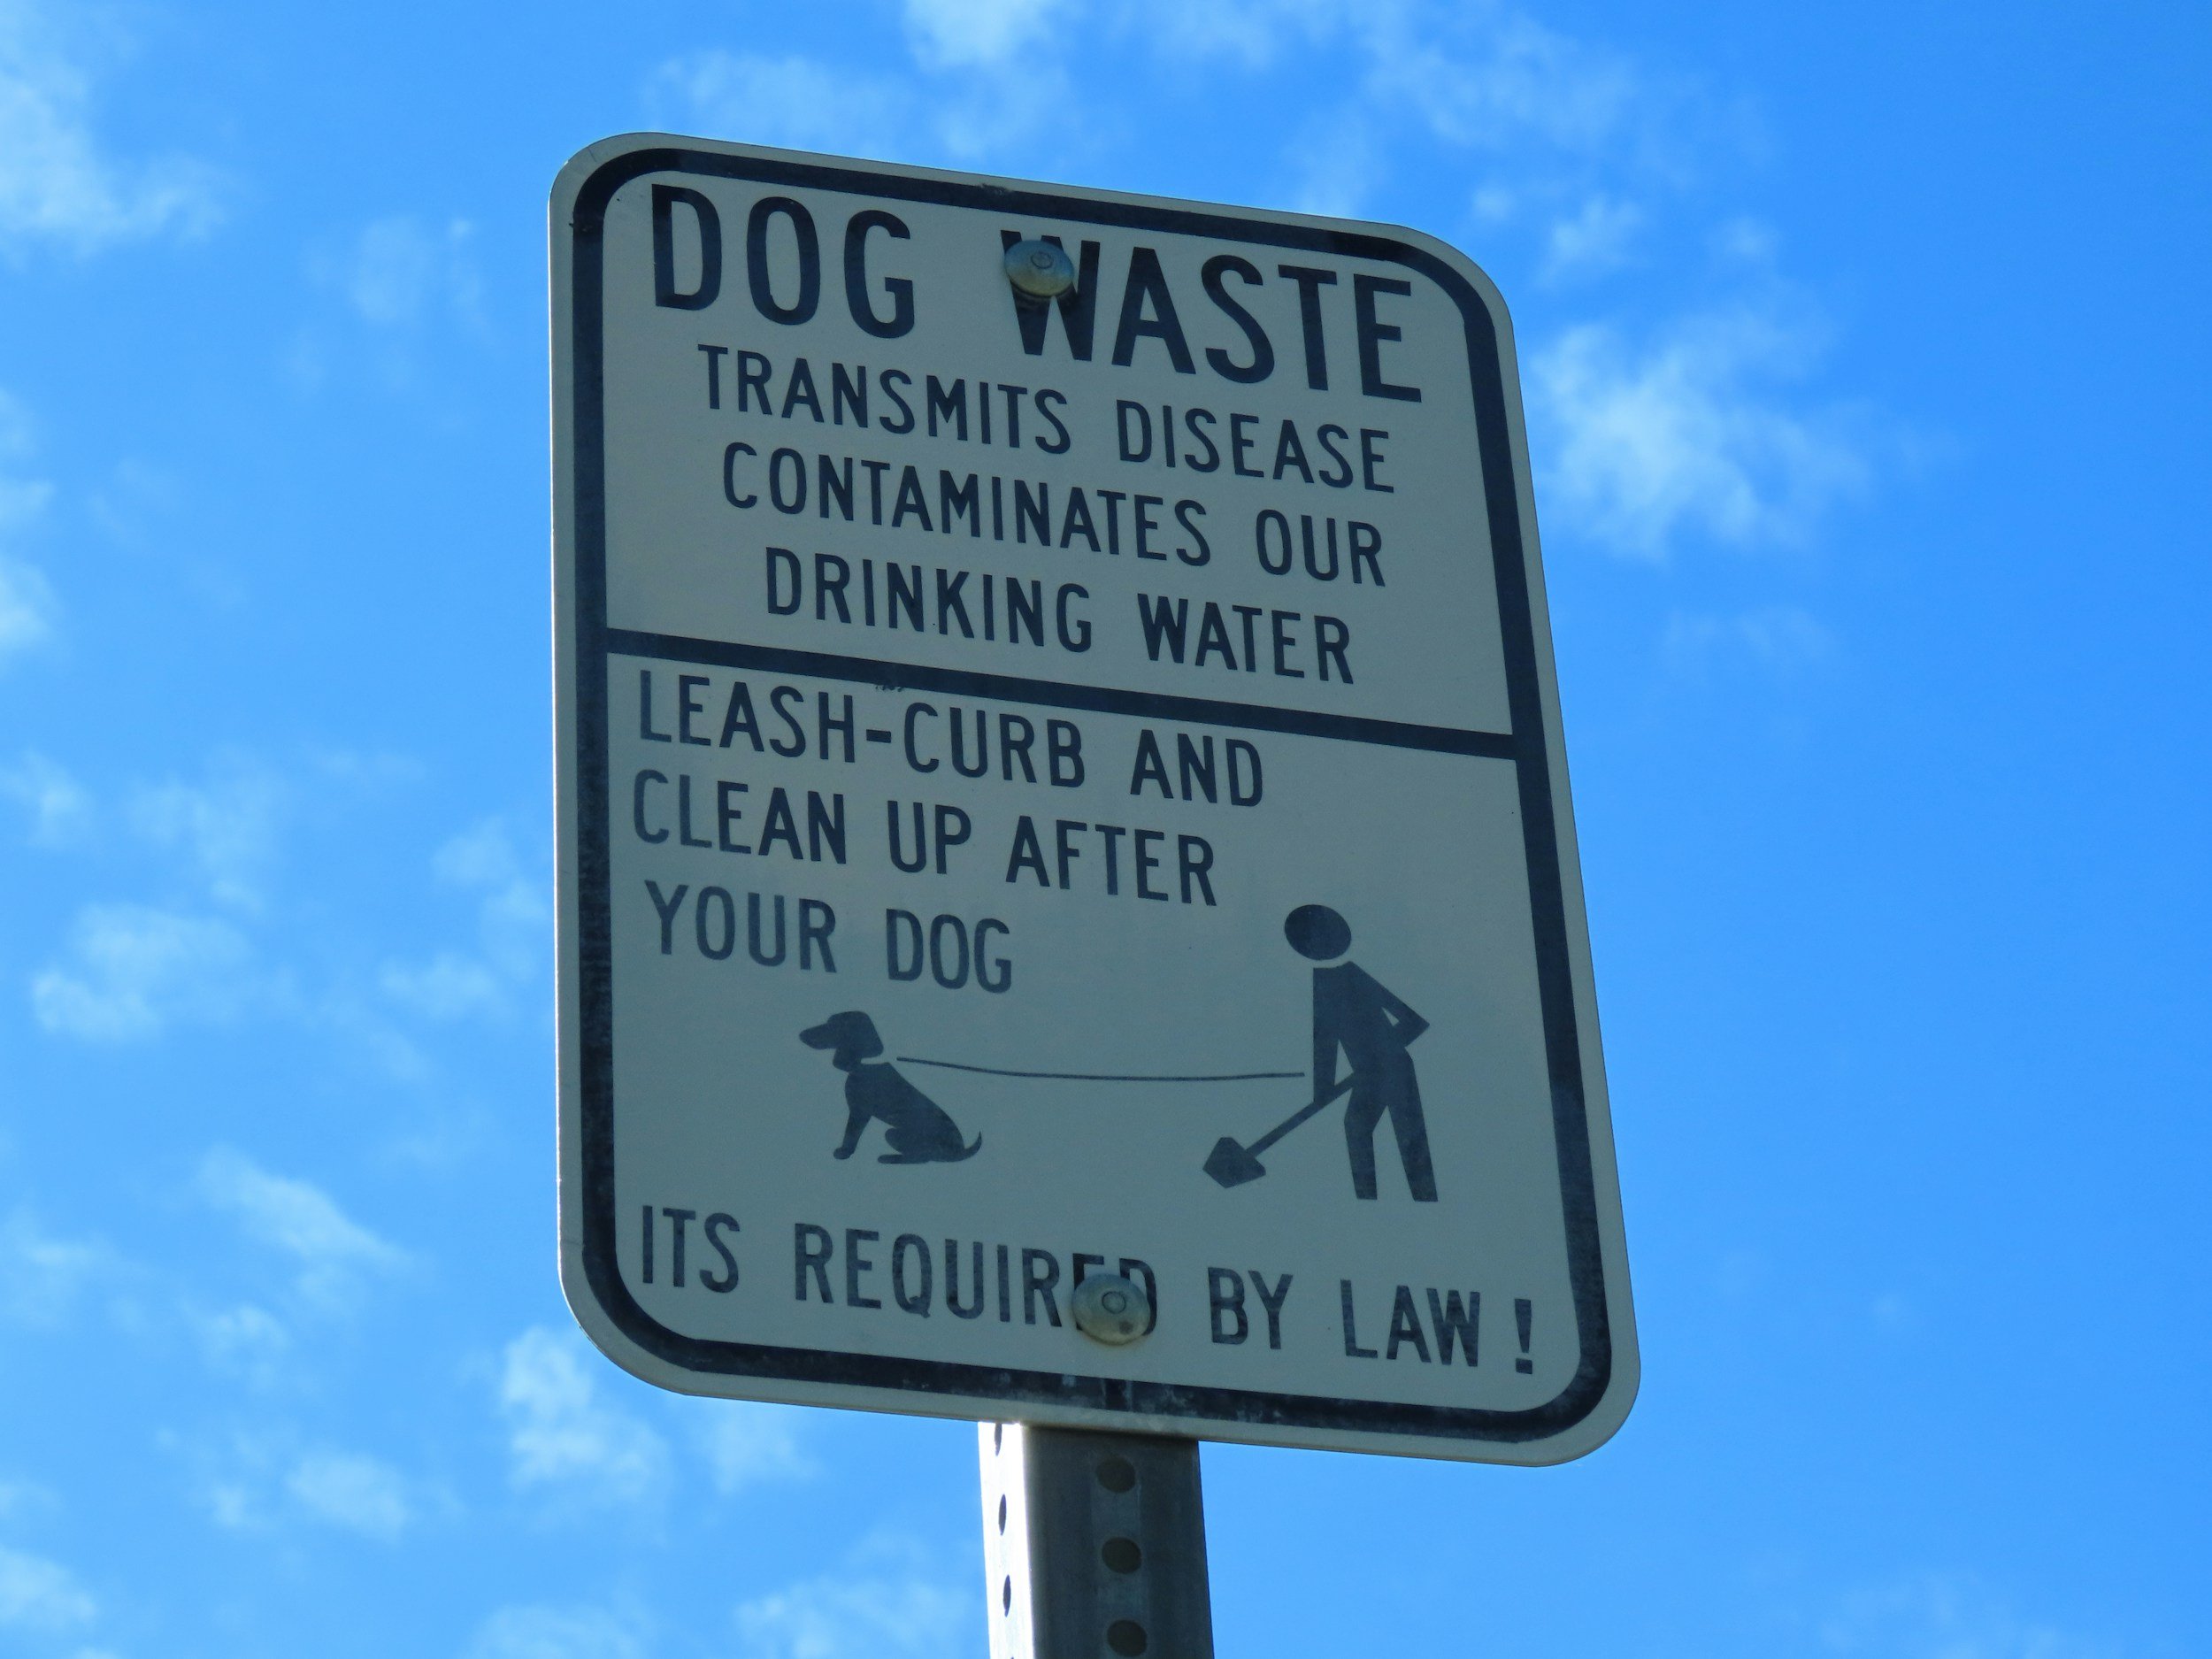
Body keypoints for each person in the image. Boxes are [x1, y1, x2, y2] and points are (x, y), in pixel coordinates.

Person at [1286, 904, 1437, 1202]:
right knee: (1356, 1127)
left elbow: (1414, 1022)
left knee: (1410, 1140)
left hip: (1396, 1069)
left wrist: (1382, 1054)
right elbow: (1325, 1044)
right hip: (1369, 1076)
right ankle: (1367, 1201)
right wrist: (1322, 1092)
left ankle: (1425, 1200)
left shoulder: (1353, 975)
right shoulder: (1322, 984)